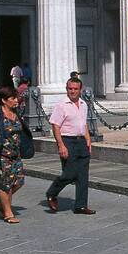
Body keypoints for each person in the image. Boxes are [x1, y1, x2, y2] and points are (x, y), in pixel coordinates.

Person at [44, 75, 95, 216]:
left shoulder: (83, 104)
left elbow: (83, 123)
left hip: (81, 141)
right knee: (70, 173)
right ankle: (52, 192)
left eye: (75, 89)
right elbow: (55, 125)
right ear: (66, 89)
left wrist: (88, 140)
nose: (72, 91)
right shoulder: (61, 105)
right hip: (68, 141)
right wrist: (61, 145)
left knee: (83, 176)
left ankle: (81, 206)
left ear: (80, 90)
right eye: (70, 88)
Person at [0, 85, 26, 223]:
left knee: (19, 181)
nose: (16, 100)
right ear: (4, 100)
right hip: (3, 154)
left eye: (16, 98)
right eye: (12, 98)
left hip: (16, 153)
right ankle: (8, 213)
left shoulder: (16, 113)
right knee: (5, 184)